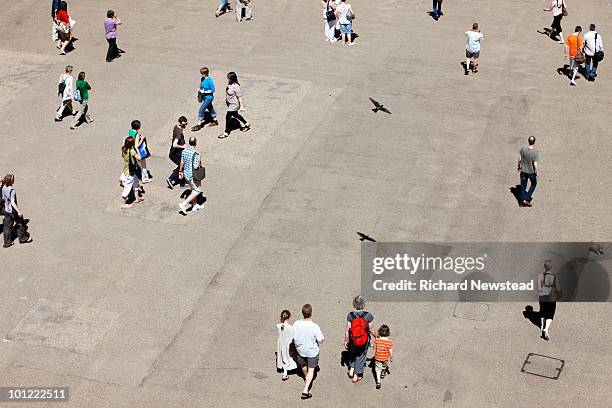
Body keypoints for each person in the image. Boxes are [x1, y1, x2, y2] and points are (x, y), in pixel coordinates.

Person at [292, 304, 324, 400]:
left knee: (303, 365)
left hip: (300, 350)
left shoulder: (296, 323)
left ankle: (306, 378)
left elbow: (293, 336)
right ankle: (306, 390)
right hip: (311, 351)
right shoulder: (314, 326)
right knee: (311, 369)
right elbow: (321, 339)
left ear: (303, 313)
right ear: (311, 313)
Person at [344, 295, 374, 383]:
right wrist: (377, 336)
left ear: (354, 305)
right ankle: (356, 376)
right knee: (361, 357)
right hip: (363, 341)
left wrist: (346, 340)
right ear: (363, 305)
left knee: (353, 354)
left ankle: (351, 369)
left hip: (353, 340)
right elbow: (371, 330)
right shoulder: (368, 316)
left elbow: (347, 330)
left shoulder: (350, 315)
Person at [2, 174, 33, 248]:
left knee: (7, 227)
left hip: (7, 210)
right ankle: (23, 238)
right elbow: (12, 202)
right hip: (12, 211)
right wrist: (18, 211)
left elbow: (3, 198)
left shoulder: (3, 187)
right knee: (20, 224)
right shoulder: (12, 191)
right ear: (11, 181)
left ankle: (7, 243)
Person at [219, 72, 250, 139]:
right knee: (236, 115)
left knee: (228, 116)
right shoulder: (230, 84)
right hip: (230, 104)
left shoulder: (236, 86)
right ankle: (246, 124)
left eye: (229, 78)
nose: (228, 79)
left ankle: (226, 132)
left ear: (232, 78)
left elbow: (239, 97)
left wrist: (241, 106)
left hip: (234, 105)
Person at [178, 137, 205, 214]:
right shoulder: (196, 153)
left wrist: (180, 171)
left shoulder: (184, 151)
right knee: (197, 191)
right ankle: (183, 204)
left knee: (193, 190)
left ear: (189, 142)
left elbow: (182, 162)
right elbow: (196, 166)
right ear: (195, 143)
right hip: (193, 175)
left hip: (186, 174)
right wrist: (199, 158)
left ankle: (195, 205)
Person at [538, 260, 562, 341]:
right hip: (552, 297)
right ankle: (546, 329)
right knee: (550, 314)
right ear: (551, 267)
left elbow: (539, 288)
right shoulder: (555, 276)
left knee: (542, 312)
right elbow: (558, 288)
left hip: (543, 297)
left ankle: (541, 328)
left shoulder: (540, 276)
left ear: (544, 266)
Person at [120, 137, 144, 209]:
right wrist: (138, 151)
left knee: (136, 182)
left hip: (127, 168)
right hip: (131, 171)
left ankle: (137, 198)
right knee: (127, 186)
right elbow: (139, 158)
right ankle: (124, 203)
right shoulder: (132, 151)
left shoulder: (124, 149)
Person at [517, 136, 539, 207]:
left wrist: (518, 166)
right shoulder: (535, 152)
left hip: (523, 171)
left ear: (528, 141)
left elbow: (520, 159)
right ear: (534, 142)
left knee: (523, 186)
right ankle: (526, 199)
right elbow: (535, 163)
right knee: (534, 184)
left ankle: (520, 203)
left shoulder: (523, 149)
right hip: (531, 172)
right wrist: (536, 171)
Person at [167, 116, 188, 189]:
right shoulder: (179, 132)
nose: (185, 125)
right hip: (174, 154)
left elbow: (172, 136)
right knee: (181, 166)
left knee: (182, 166)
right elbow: (174, 145)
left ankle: (182, 182)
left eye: (186, 124)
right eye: (184, 124)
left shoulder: (176, 127)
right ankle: (171, 179)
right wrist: (183, 146)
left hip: (174, 153)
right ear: (180, 123)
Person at [276, 310, 297, 381]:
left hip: (282, 344)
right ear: (289, 317)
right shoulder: (291, 328)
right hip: (288, 344)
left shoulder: (279, 326)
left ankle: (285, 372)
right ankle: (288, 371)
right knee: (290, 357)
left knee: (283, 357)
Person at [372, 324, 394, 389]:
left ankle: (378, 381)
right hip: (385, 358)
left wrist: (374, 346)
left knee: (377, 369)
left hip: (378, 357)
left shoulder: (377, 340)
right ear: (388, 333)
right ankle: (383, 373)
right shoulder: (390, 342)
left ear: (379, 332)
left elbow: (373, 345)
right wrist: (391, 357)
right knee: (384, 366)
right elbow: (390, 351)